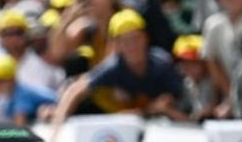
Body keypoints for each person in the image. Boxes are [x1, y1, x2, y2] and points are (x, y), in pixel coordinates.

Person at [53, 9, 188, 125]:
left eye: (136, 38)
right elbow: (76, 89)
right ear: (117, 45)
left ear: (146, 38)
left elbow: (182, 106)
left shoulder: (162, 64)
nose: (132, 46)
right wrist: (58, 121)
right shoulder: (114, 66)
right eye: (126, 41)